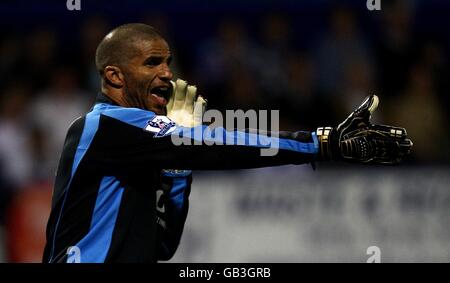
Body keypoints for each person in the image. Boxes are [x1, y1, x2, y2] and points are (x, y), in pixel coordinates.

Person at [42, 23, 412, 263]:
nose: (167, 73)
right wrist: (317, 143)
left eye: (168, 62)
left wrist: (176, 161)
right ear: (114, 76)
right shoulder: (104, 125)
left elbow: (163, 246)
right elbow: (221, 142)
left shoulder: (142, 145)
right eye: (153, 62)